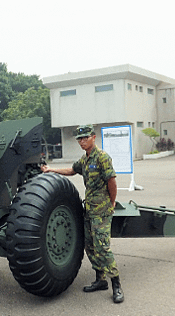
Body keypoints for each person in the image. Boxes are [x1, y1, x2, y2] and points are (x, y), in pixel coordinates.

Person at [41, 124, 123, 303]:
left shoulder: (102, 157)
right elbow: (71, 170)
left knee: (102, 246)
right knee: (90, 245)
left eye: (85, 138)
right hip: (89, 210)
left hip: (101, 210)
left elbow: (112, 181)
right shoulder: (84, 160)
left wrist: (111, 202)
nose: (82, 141)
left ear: (93, 137)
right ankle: (100, 280)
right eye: (79, 139)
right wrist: (51, 170)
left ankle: (116, 284)